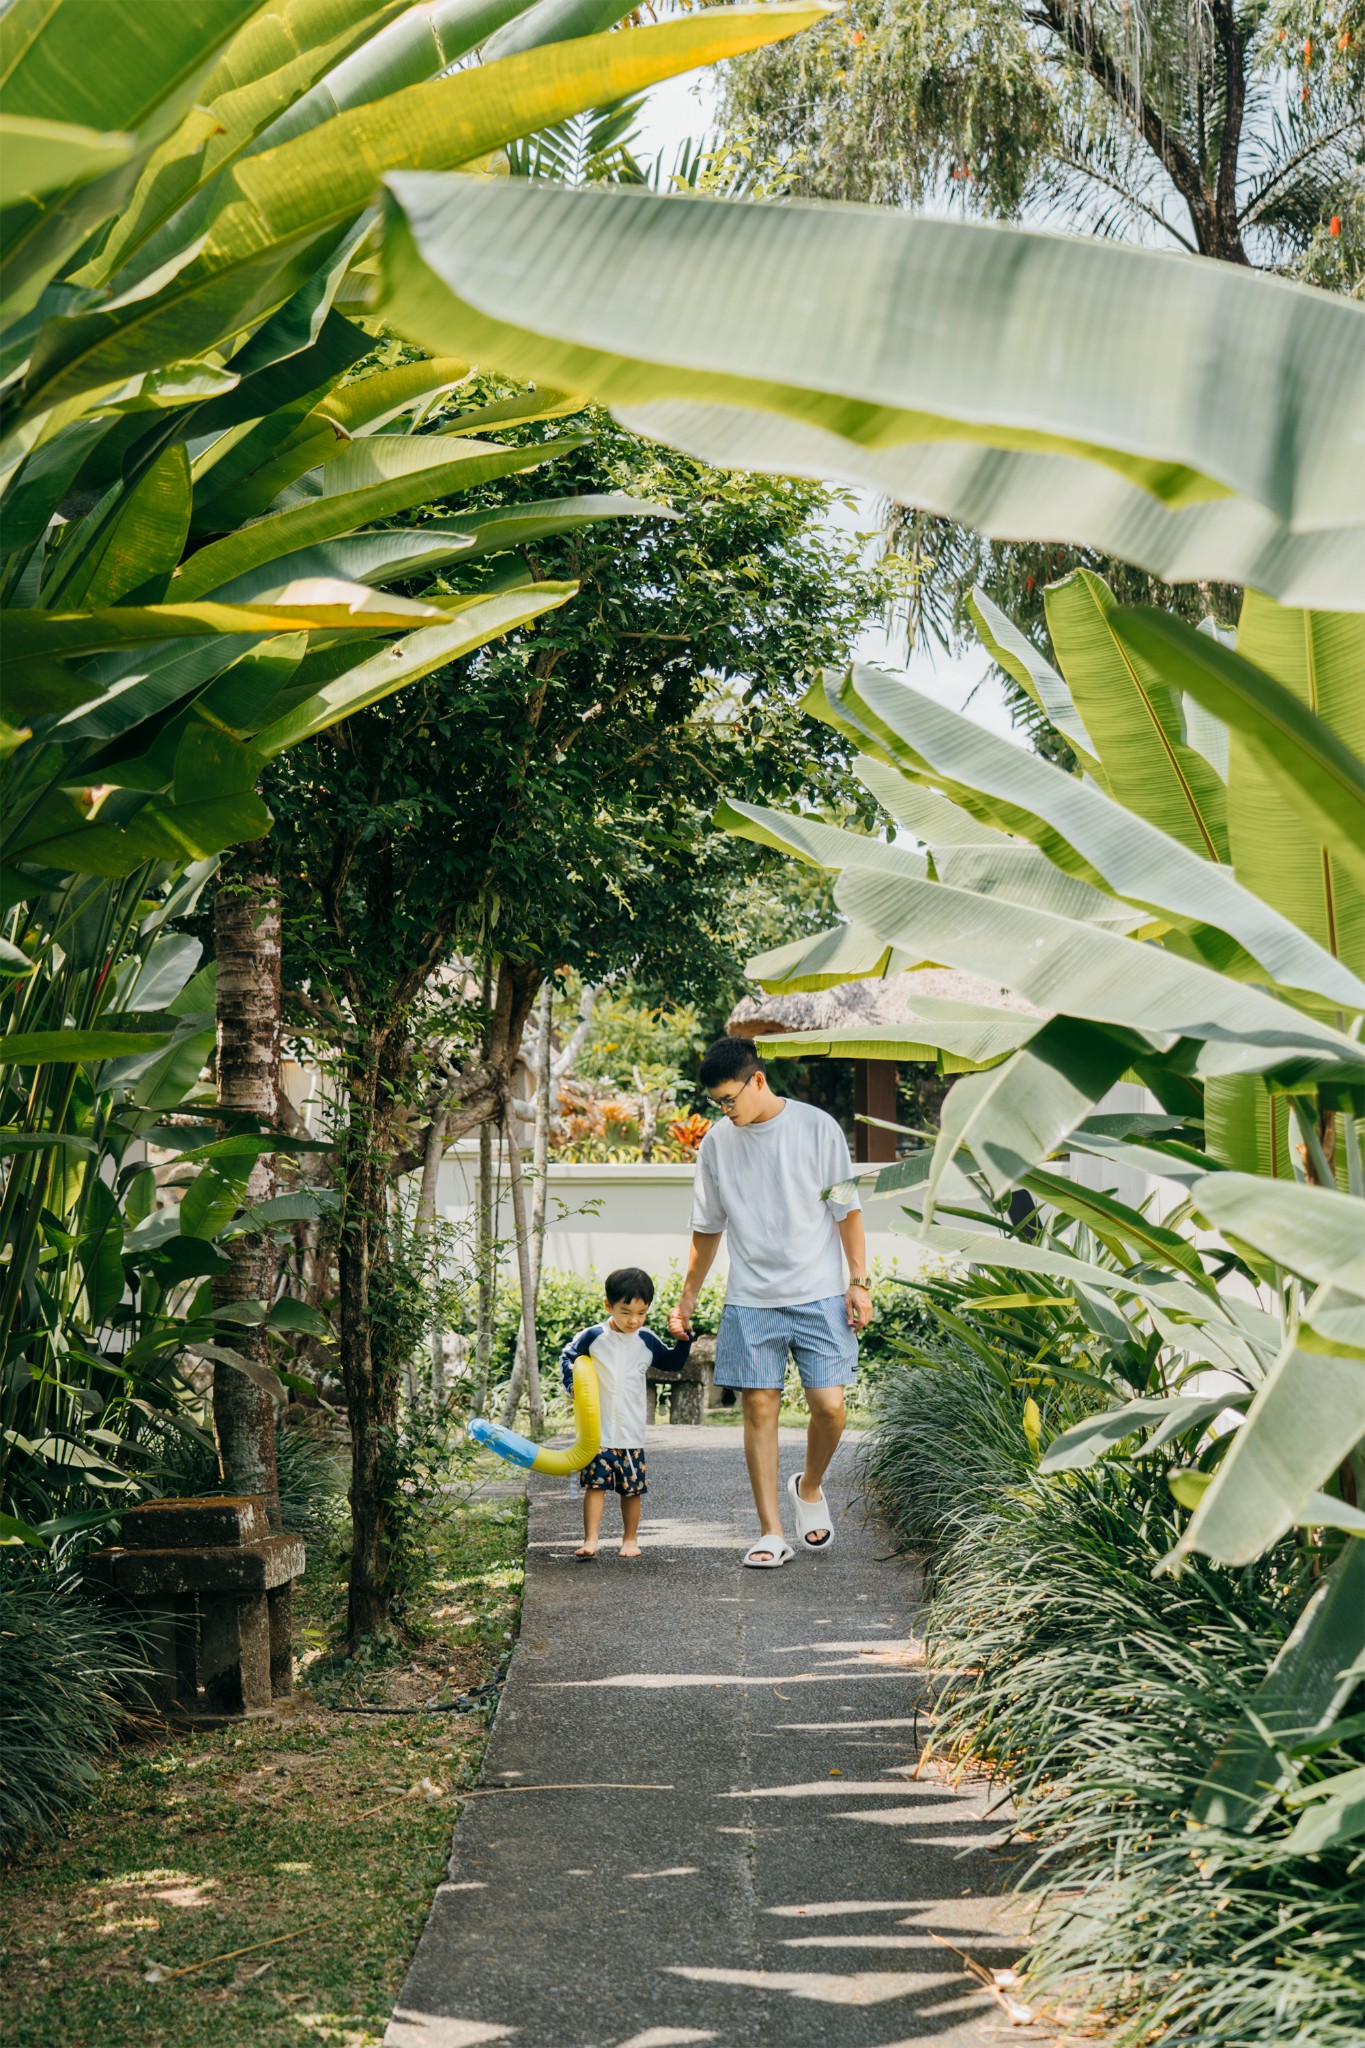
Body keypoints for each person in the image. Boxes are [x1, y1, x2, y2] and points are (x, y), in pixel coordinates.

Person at [669, 1036, 871, 1568]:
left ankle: (808, 1486)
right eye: (717, 1103)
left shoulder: (816, 1128)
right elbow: (706, 1229)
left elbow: (846, 1211)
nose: (725, 1110)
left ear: (758, 1080)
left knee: (830, 1409)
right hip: (751, 1299)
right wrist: (685, 1301)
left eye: (730, 1099)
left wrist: (859, 1281)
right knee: (760, 1408)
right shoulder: (716, 1143)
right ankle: (770, 1532)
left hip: (820, 1294)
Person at [559, 1266, 692, 1561]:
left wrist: (685, 1338)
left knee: (631, 1491)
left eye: (641, 1313)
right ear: (609, 1306)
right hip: (598, 1433)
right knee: (595, 1487)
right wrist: (571, 1383)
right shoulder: (593, 1337)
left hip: (631, 1433)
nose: (634, 1320)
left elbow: (673, 1363)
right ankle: (591, 1539)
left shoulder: (646, 1340)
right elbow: (568, 1356)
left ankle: (630, 1539)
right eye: (626, 1312)